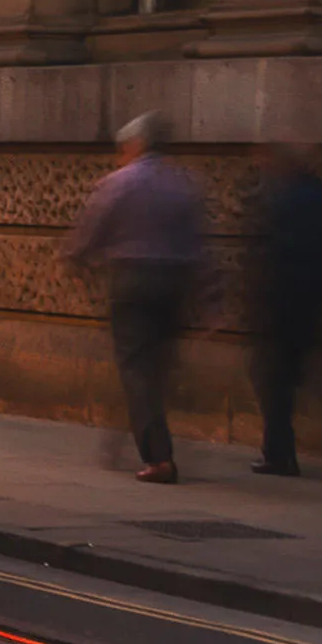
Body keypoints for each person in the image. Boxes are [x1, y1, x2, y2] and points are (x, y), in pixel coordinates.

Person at [61, 113, 204, 484]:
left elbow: (93, 225)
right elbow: (198, 242)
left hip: (133, 282)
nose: (120, 154)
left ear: (135, 145)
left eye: (123, 148)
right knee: (155, 367)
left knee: (137, 369)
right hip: (175, 282)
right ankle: (137, 437)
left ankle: (159, 458)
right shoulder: (183, 185)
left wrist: (75, 257)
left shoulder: (119, 183)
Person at [247, 139, 322, 477]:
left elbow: (279, 253)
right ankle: (278, 450)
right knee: (285, 376)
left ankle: (279, 453)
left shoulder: (288, 200)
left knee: (273, 378)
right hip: (311, 299)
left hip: (286, 301)